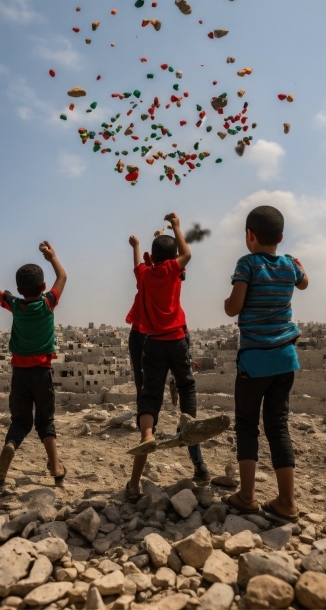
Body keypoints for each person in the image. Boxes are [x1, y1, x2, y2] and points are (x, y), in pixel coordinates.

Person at [223, 205, 308, 518]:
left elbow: (234, 307)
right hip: (285, 360)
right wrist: (299, 266)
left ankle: (247, 496)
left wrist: (227, 303)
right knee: (278, 426)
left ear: (249, 235)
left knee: (247, 425)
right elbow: (304, 283)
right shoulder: (289, 265)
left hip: (254, 362)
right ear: (281, 237)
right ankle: (286, 501)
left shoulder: (248, 263)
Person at [126, 213, 209, 500]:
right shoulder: (173, 270)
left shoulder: (145, 275)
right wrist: (176, 226)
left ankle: (147, 435)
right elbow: (186, 253)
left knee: (150, 394)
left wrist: (136, 245)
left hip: (152, 343)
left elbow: (137, 264)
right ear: (172, 258)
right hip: (176, 339)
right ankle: (187, 422)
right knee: (186, 385)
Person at [0, 242, 67, 485]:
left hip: (20, 374)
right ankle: (56, 467)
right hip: (42, 373)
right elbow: (62, 276)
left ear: (18, 289)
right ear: (43, 286)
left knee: (20, 421)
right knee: (45, 421)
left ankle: (10, 445)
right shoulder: (49, 302)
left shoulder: (15, 304)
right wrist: (52, 257)